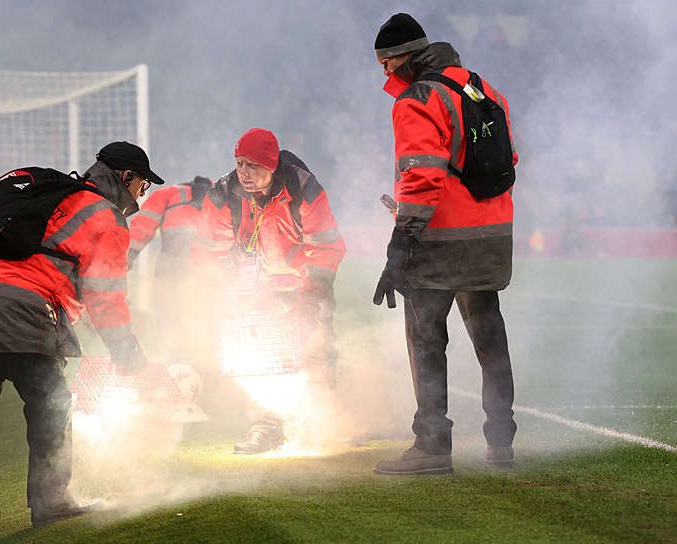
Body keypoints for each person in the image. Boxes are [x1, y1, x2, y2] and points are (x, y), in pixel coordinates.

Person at [0, 141, 164, 542]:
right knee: (52, 406)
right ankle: (51, 501)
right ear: (126, 177)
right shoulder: (106, 217)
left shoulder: (56, 194)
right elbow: (106, 299)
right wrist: (129, 356)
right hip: (26, 313)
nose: (143, 195)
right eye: (143, 185)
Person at [371, 14, 519, 475]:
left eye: (387, 62)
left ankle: (433, 444)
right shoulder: (483, 89)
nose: (385, 72)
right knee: (489, 336)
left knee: (426, 340)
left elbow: (423, 175)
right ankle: (501, 441)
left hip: (438, 240)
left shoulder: (417, 98)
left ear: (406, 57)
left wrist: (401, 243)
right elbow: (508, 159)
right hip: (491, 235)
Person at [191, 128, 346, 455]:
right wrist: (210, 303)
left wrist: (309, 302)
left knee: (316, 346)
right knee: (256, 351)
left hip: (303, 281)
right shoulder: (223, 194)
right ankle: (263, 426)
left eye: (253, 166)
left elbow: (328, 248)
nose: (244, 173)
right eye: (239, 164)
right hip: (254, 285)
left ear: (272, 165)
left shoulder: (303, 188)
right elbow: (207, 253)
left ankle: (321, 422)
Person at [127, 176, 212, 361]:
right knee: (214, 300)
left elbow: (142, 226)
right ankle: (214, 351)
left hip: (176, 248)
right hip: (211, 250)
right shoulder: (224, 193)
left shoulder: (168, 193)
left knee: (164, 298)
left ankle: (176, 352)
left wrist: (125, 258)